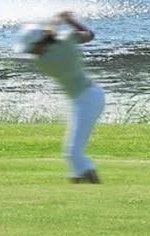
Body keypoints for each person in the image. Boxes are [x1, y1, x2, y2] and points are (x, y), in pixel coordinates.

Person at [15, 10, 105, 183]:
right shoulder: (65, 42)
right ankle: (78, 186)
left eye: (33, 46)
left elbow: (50, 37)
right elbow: (89, 35)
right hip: (87, 97)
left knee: (73, 153)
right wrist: (69, 20)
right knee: (72, 156)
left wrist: (55, 22)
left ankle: (98, 189)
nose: (31, 51)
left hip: (87, 99)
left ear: (41, 43)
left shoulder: (45, 59)